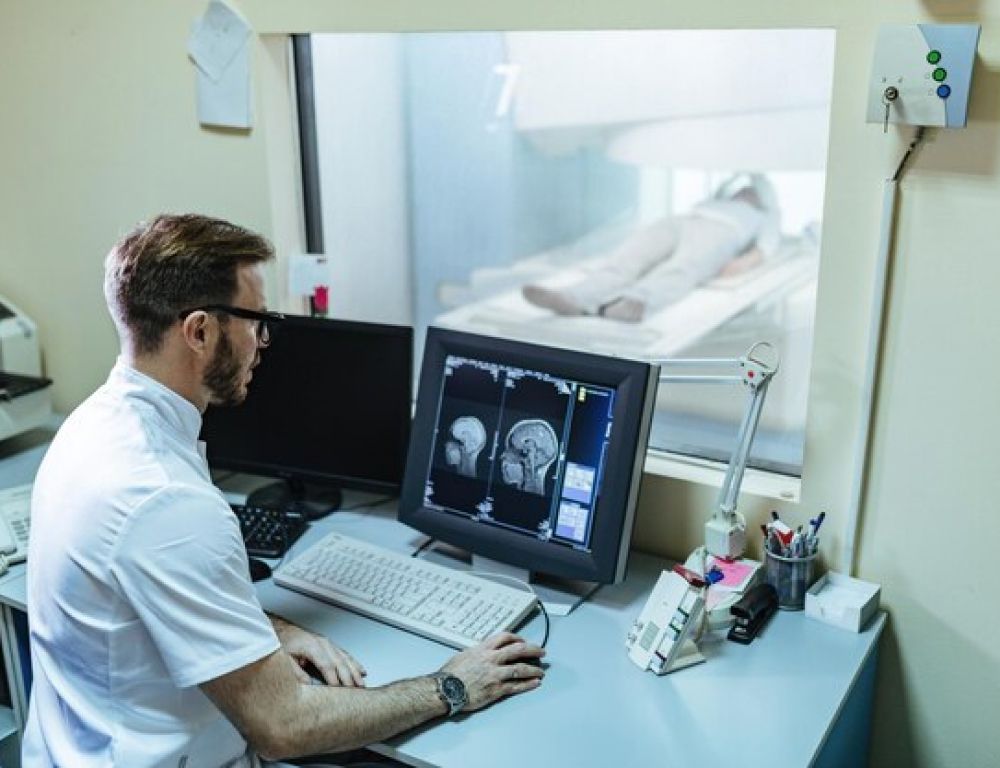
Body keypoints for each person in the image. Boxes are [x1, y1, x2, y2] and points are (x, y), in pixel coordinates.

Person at [23, 214, 545, 767]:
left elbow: (148, 605)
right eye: (256, 320)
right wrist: (450, 687)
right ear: (198, 331)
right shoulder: (165, 499)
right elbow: (285, 726)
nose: (264, 341)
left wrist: (268, 630)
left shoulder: (91, 427)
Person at [522, 173, 781, 323]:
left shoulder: (763, 215)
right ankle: (573, 298)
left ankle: (636, 302)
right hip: (683, 220)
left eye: (750, 191)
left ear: (761, 198)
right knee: (629, 256)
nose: (744, 192)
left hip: (722, 232)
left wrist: (742, 264)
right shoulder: (713, 201)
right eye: (742, 189)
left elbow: (765, 247)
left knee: (683, 266)